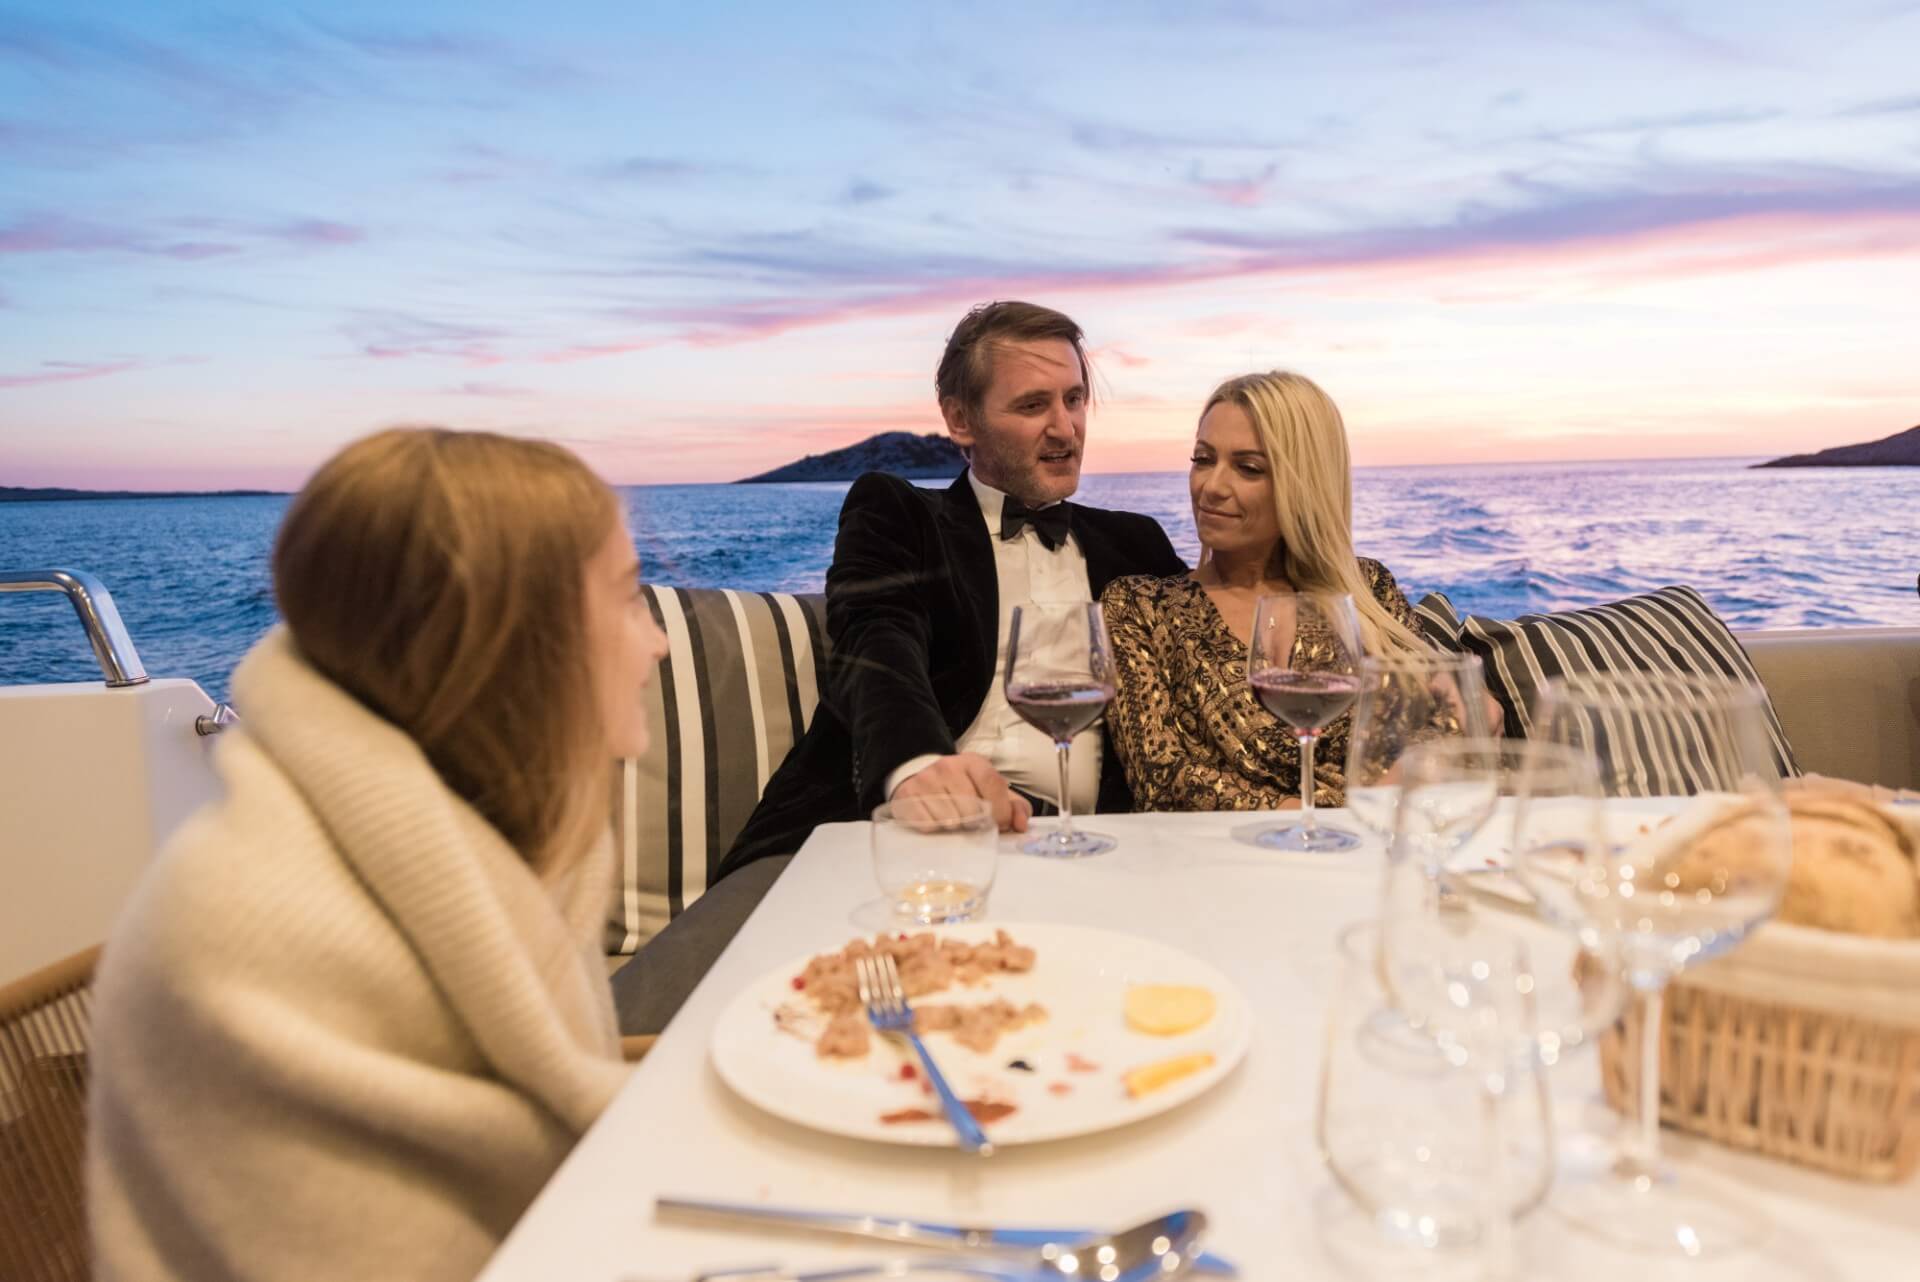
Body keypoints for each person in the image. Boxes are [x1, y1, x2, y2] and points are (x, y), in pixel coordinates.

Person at [88, 428, 670, 1282]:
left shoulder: (500, 829)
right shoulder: (249, 928)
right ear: (507, 642)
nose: (656, 640)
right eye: (626, 598)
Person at [715, 300, 1187, 878]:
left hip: (1083, 854)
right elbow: (876, 635)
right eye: (1033, 404)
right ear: (961, 420)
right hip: (886, 833)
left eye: (1074, 399)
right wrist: (917, 766)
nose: (1065, 428)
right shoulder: (900, 513)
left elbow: (1212, 650)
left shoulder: (1135, 543)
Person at [1100, 370, 1436, 812]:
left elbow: (1434, 731)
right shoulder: (1141, 608)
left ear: (1305, 485)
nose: (1212, 487)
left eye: (1248, 468)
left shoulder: (1367, 590)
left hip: (1373, 852)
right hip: (1229, 862)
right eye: (1203, 459)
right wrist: (1327, 815)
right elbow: (1163, 779)